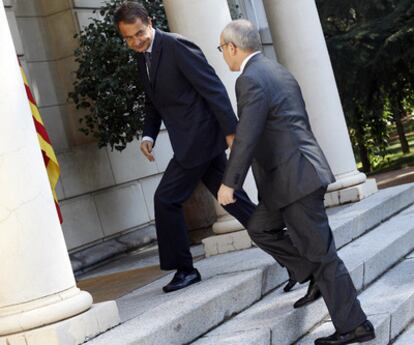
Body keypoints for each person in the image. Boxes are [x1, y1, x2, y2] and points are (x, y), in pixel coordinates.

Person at [217, 19, 375, 345]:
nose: (223, 55)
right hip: (288, 179)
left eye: (222, 49)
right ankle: (311, 274)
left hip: (295, 180)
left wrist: (230, 183)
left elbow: (246, 136)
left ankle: (355, 325)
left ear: (233, 48)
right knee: (261, 227)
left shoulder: (249, 80)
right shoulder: (277, 70)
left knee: (324, 256)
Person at [113, 2, 256, 293]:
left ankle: (185, 269)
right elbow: (153, 101)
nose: (136, 41)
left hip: (199, 140)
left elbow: (212, 88)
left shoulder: (177, 46)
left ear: (150, 22)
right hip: (191, 142)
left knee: (166, 199)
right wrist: (148, 135)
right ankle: (289, 250)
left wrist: (231, 132)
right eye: (128, 38)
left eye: (139, 33)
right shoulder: (144, 57)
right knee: (233, 200)